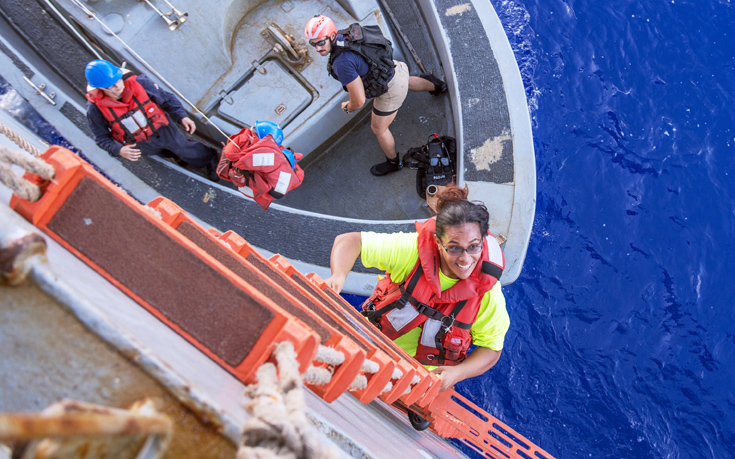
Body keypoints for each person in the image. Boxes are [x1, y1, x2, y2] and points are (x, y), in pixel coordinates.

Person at [324, 185, 508, 430]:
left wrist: (457, 374)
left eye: (473, 247)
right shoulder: (411, 250)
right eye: (454, 247)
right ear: (437, 242)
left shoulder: (488, 293)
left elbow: (492, 348)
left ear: (483, 242)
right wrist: (338, 276)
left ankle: (417, 398)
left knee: (416, 415)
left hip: (423, 375)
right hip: (370, 343)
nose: (465, 259)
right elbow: (350, 241)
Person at [304, 15, 447, 177]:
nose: (317, 48)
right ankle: (437, 85)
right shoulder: (346, 35)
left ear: (331, 36)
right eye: (313, 44)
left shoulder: (341, 64)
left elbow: (358, 101)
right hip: (394, 68)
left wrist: (347, 107)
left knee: (379, 128)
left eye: (320, 42)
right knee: (404, 81)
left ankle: (394, 162)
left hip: (390, 90)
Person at [84, 59, 219, 180]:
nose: (118, 86)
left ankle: (209, 157)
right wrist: (118, 150)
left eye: (118, 80)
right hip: (139, 142)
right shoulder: (95, 109)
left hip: (163, 129)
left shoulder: (140, 83)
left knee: (182, 147)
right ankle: (180, 158)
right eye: (110, 86)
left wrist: (182, 116)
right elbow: (101, 137)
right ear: (100, 88)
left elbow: (166, 98)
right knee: (166, 152)